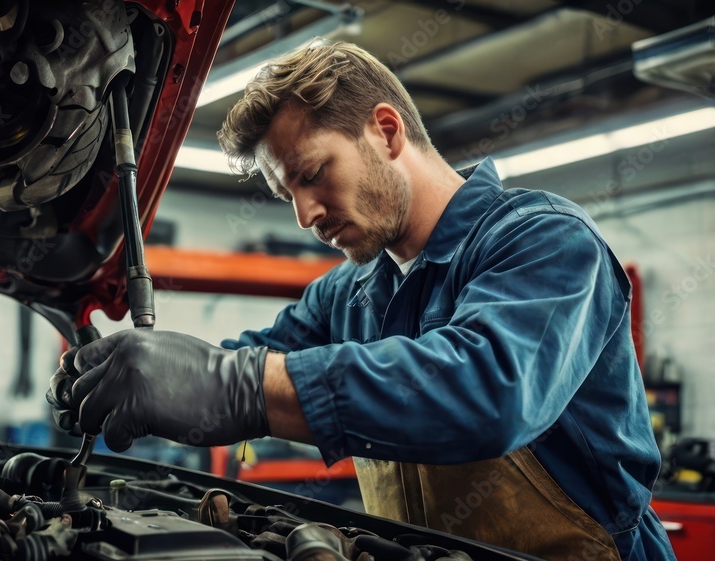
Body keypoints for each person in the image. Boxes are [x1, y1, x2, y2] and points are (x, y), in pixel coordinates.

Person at [47, 41, 675, 560]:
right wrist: (139, 378)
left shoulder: (544, 241)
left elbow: (489, 390)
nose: (305, 215)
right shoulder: (346, 295)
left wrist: (234, 385)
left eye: (314, 173)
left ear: (385, 131)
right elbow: (246, 364)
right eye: (286, 192)